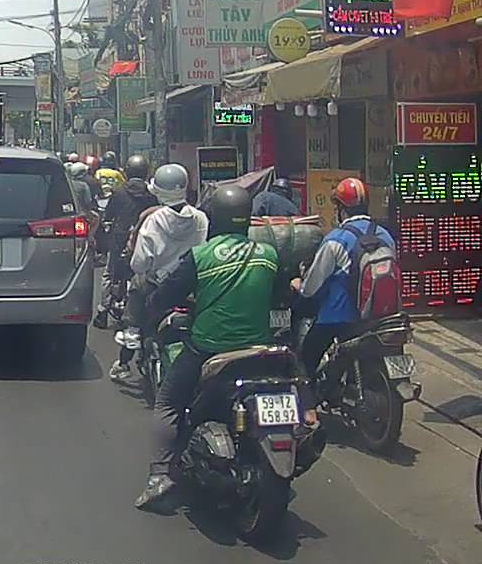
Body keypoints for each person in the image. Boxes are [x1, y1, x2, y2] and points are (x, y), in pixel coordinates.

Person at [135, 186, 316, 509]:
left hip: (208, 349)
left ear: (214, 219)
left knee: (168, 403)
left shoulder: (200, 256)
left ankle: (160, 476)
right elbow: (282, 296)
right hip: (260, 351)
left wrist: (152, 304)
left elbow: (166, 296)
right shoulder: (268, 255)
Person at [111, 164, 209, 382]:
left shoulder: (153, 219)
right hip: (192, 284)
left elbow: (139, 263)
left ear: (157, 189)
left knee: (137, 285)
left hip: (157, 284)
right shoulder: (200, 218)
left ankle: (127, 350)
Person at [292, 177, 395, 374]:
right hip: (379, 318)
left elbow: (311, 287)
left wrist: (299, 285)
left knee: (306, 359)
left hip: (337, 319)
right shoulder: (385, 236)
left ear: (341, 209)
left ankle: (309, 393)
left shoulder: (336, 240)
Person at [96, 154, 158, 335]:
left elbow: (108, 215)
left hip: (119, 240)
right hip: (143, 241)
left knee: (109, 274)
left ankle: (102, 311)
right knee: (143, 274)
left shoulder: (119, 193)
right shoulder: (151, 195)